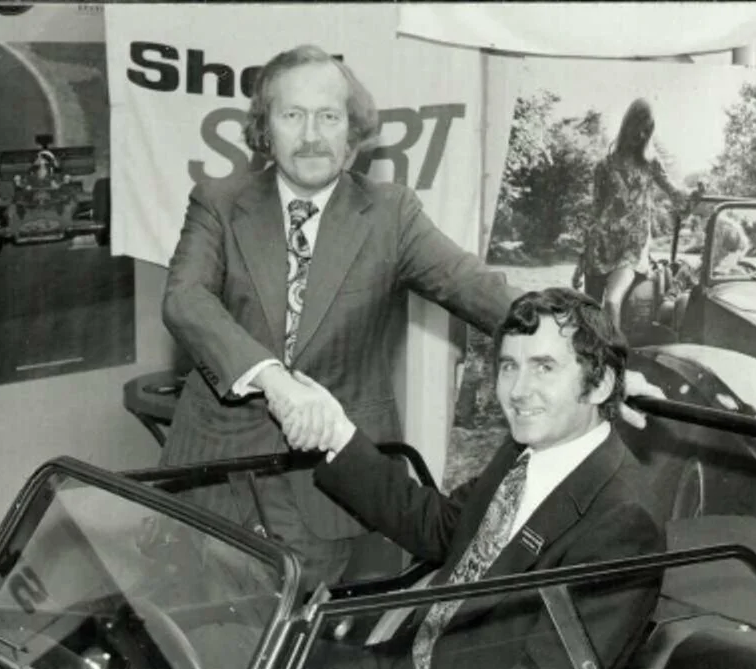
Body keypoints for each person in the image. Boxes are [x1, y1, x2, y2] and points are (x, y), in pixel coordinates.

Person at [261, 287, 665, 669]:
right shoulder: (524, 450)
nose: (518, 391)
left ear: (600, 383)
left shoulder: (623, 521)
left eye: (544, 368)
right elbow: (439, 527)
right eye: (509, 366)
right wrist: (337, 435)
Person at [159, 44, 518, 590]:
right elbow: (185, 299)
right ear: (265, 128)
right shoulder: (218, 201)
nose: (311, 135)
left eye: (329, 116)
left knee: (296, 629)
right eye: (292, 115)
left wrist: (592, 349)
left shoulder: (391, 213)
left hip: (321, 482)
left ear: (353, 130)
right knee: (186, 620)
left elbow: (478, 288)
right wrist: (274, 381)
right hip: (213, 469)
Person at [575, 99, 703, 333]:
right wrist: (581, 259)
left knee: (612, 302)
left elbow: (677, 197)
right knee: (589, 313)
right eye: (638, 128)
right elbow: (595, 211)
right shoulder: (604, 166)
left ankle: (615, 354)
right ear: (627, 125)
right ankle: (593, 352)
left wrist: (694, 195)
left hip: (631, 249)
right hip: (600, 245)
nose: (641, 134)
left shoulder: (651, 164)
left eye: (647, 130)